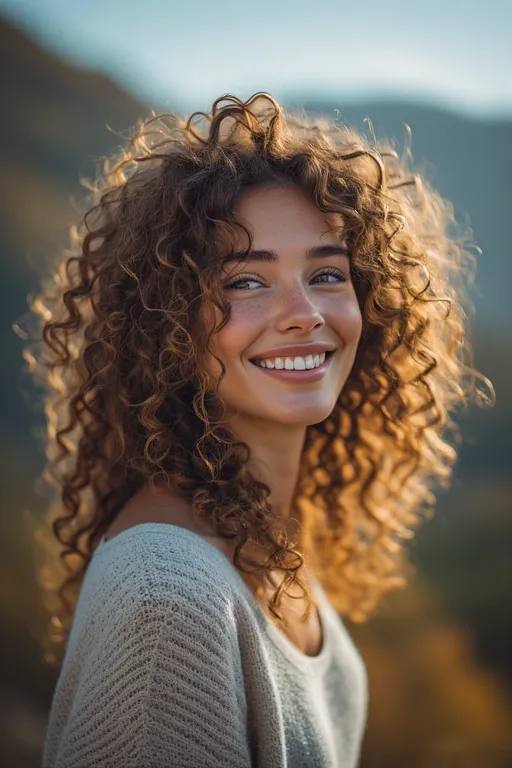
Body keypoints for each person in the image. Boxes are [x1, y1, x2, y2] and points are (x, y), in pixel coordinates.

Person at [21, 91, 492, 767]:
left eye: (327, 273)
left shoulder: (265, 541)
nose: (303, 314)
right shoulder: (167, 594)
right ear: (167, 320)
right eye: (245, 281)